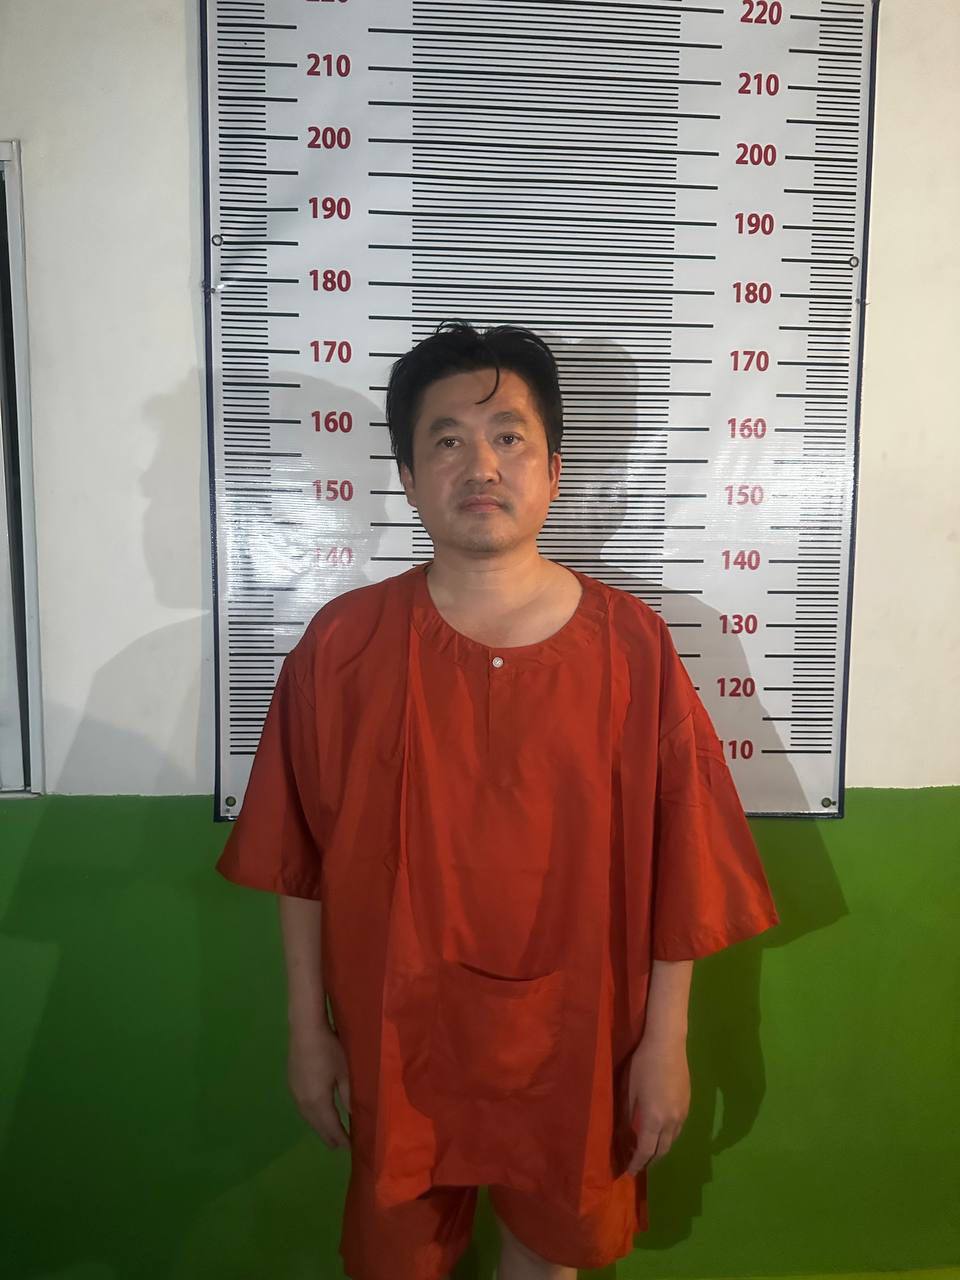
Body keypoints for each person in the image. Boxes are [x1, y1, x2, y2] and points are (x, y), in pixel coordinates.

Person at [215, 320, 781, 1280]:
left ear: (553, 470)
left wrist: (666, 1043)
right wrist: (307, 1029)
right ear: (408, 478)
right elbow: (297, 860)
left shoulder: (634, 649)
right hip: (399, 1038)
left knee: (547, 1256)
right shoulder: (341, 648)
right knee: (398, 1257)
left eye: (509, 437)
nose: (480, 464)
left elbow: (685, 870)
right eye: (446, 440)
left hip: (582, 1040)